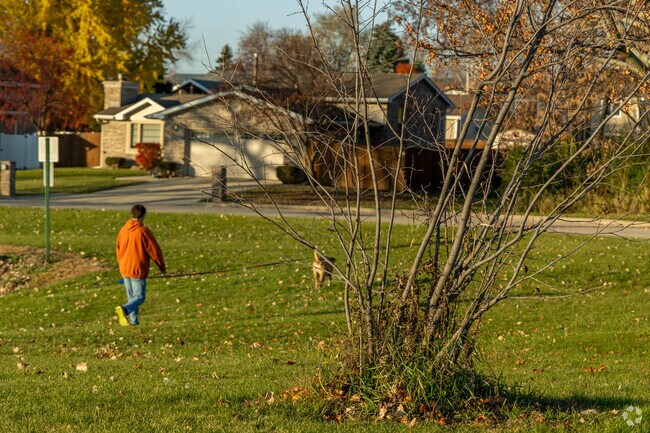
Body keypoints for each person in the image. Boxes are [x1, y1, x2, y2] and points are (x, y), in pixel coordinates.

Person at [115, 204, 166, 326]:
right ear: (143, 216)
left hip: (125, 268)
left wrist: (121, 264)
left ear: (131, 215)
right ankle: (125, 310)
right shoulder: (143, 231)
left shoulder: (123, 230)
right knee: (139, 297)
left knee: (132, 298)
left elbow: (118, 249)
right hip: (137, 269)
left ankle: (133, 322)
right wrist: (161, 266)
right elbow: (154, 250)